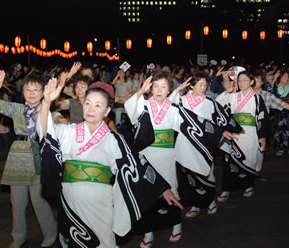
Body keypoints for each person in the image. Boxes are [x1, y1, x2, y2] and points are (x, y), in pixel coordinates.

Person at [37, 78, 182, 248]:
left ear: (106, 111)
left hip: (101, 202)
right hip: (70, 200)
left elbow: (136, 163)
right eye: (88, 103)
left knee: (104, 243)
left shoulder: (114, 140)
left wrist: (161, 187)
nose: (91, 109)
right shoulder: (69, 131)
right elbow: (46, 133)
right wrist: (46, 102)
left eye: (98, 105)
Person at [124, 71, 226, 247]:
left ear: (169, 89)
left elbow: (193, 124)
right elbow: (130, 108)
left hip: (166, 155)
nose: (159, 90)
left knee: (171, 189)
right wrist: (140, 92)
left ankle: (176, 225)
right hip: (146, 155)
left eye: (163, 86)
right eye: (155, 86)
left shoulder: (173, 108)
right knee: (147, 193)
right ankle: (148, 233)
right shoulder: (144, 104)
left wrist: (220, 131)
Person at [0, 70, 57, 248]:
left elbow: (58, 123)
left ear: (43, 92)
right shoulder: (17, 109)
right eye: (28, 89)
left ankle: (50, 233)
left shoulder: (47, 110)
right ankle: (18, 236)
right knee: (17, 201)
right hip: (18, 156)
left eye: (36, 89)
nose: (32, 93)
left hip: (39, 156)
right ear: (23, 92)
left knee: (38, 199)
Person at [169, 71, 243, 218]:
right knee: (190, 174)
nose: (203, 88)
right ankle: (196, 204)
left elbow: (217, 121)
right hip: (186, 141)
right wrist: (177, 90)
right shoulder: (182, 100)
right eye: (200, 84)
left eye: (205, 85)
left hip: (204, 143)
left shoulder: (209, 102)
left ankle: (210, 201)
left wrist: (222, 132)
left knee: (207, 173)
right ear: (191, 85)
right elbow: (169, 105)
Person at [216, 71, 268, 201]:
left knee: (249, 161)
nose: (242, 83)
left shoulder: (256, 98)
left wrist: (262, 137)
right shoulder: (232, 96)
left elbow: (261, 119)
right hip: (234, 134)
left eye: (245, 80)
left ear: (251, 82)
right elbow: (220, 107)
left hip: (250, 134)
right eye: (240, 80)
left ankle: (248, 186)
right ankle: (226, 189)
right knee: (230, 163)